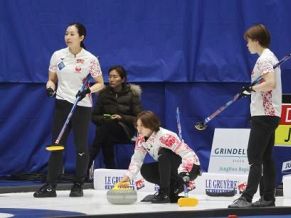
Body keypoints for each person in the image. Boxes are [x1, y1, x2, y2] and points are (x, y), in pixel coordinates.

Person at [34, 22, 105, 198]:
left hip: (81, 106)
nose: (68, 37)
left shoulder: (90, 59)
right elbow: (51, 79)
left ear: (81, 37)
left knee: (81, 146)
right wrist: (50, 87)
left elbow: (100, 84)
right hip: (62, 104)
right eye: (66, 33)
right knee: (56, 145)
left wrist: (88, 90)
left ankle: (78, 184)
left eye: (72, 34)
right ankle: (50, 185)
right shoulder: (57, 56)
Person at [228, 24, 282, 208]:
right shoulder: (269, 57)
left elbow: (270, 83)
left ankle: (247, 197)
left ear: (256, 41)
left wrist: (251, 88)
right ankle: (267, 198)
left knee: (254, 156)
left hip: (264, 114)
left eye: (248, 41)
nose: (247, 45)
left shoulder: (264, 59)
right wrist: (251, 90)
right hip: (270, 114)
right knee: (265, 157)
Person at [119, 110, 201, 203]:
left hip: (190, 168)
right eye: (137, 125)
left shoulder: (165, 136)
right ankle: (171, 191)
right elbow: (136, 160)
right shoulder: (141, 139)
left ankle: (164, 193)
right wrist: (128, 177)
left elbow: (188, 154)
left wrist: (183, 172)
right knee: (146, 170)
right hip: (173, 168)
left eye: (142, 125)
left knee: (164, 153)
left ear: (151, 125)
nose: (139, 129)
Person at [88, 65, 143, 170]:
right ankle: (110, 168)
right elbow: (94, 116)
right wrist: (106, 119)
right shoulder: (103, 94)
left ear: (123, 79)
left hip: (125, 130)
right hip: (107, 129)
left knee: (103, 131)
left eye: (115, 77)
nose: (111, 79)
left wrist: (121, 117)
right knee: (105, 133)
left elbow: (139, 118)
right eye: (110, 77)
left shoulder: (132, 94)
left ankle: (86, 167)